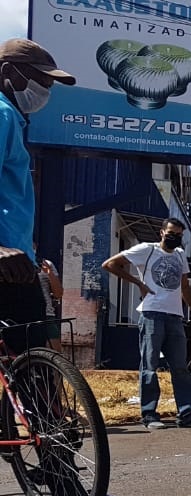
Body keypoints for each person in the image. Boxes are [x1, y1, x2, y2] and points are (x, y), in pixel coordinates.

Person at [0, 39, 74, 354]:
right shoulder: (2, 114)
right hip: (6, 264)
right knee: (31, 376)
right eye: (40, 79)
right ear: (7, 72)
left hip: (17, 265)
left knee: (31, 376)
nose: (46, 88)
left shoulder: (12, 118)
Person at [102, 217, 191, 429]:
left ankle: (187, 415)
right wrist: (138, 283)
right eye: (171, 233)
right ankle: (149, 415)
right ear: (161, 232)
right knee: (149, 366)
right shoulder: (146, 250)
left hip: (175, 317)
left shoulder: (179, 255)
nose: (174, 237)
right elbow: (110, 264)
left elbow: (185, 286)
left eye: (178, 235)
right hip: (151, 314)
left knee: (180, 367)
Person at [37, 258, 63, 351]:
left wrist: (48, 272)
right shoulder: (10, 259)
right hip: (18, 314)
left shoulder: (46, 264)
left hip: (46, 314)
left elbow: (58, 293)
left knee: (57, 354)